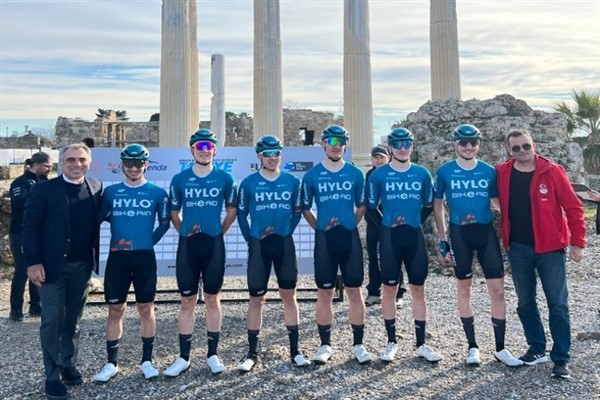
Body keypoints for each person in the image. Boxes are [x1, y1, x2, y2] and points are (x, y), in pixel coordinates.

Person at [495, 128, 586, 380]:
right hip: (518, 248)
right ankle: (536, 348)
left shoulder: (552, 171)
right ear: (509, 150)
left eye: (526, 146)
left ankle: (561, 357)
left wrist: (578, 243)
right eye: (516, 148)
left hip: (551, 249)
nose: (522, 151)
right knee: (525, 302)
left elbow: (573, 207)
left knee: (558, 303)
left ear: (533, 145)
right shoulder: (501, 172)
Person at [433, 124, 522, 367]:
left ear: (478, 144)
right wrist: (442, 238)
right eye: (463, 142)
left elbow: (497, 202)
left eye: (473, 142)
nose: (468, 146)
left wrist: (520, 217)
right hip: (459, 234)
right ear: (455, 144)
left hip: (485, 233)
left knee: (499, 291)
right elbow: (437, 204)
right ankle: (472, 347)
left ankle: (501, 348)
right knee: (464, 289)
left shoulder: (488, 171)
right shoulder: (445, 171)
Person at [22, 143, 103, 400]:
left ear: (89, 162)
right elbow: (29, 226)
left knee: (73, 320)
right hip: (51, 267)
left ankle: (68, 364)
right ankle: (52, 376)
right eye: (71, 160)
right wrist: (33, 262)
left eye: (82, 159)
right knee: (52, 321)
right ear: (61, 163)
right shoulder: (45, 189)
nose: (77, 164)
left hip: (82, 266)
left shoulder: (96, 186)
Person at [92, 144, 170, 383]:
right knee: (116, 309)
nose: (133, 168)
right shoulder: (110, 193)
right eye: (129, 163)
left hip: (144, 257)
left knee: (146, 308)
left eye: (138, 163)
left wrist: (147, 242)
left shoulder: (157, 193)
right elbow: (96, 219)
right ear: (122, 165)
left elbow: (164, 223)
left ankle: (147, 360)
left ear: (146, 164)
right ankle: (111, 363)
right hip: (118, 257)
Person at [164, 129, 237, 377]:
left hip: (213, 245)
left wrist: (218, 233)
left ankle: (213, 355)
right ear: (192, 150)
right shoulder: (180, 179)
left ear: (214, 150)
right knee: (187, 300)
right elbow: (174, 213)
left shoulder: (225, 178)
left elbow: (231, 211)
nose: (204, 150)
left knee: (212, 298)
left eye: (208, 146)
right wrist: (184, 232)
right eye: (199, 146)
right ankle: (184, 357)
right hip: (189, 246)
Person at [366, 128, 442, 363]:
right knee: (389, 289)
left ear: (412, 146)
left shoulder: (421, 173)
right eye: (397, 144)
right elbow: (370, 207)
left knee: (418, 289)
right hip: (390, 237)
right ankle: (391, 342)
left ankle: (421, 343)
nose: (402, 148)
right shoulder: (379, 175)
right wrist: (386, 226)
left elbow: (429, 204)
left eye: (406, 144)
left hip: (414, 237)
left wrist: (414, 222)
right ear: (390, 148)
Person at [235, 135, 311, 372]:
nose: (272, 157)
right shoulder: (248, 183)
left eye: (276, 153)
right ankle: (251, 353)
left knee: (289, 297)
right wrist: (250, 238)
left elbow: (297, 211)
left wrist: (287, 231)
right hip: (259, 246)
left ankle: (295, 351)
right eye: (267, 154)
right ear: (259, 156)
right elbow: (241, 215)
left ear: (281, 154)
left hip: (284, 245)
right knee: (256, 299)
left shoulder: (292, 181)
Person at [301, 124, 372, 365]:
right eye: (331, 141)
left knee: (354, 291)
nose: (335, 145)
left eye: (340, 141)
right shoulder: (312, 175)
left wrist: (351, 223)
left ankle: (359, 344)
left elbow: (362, 205)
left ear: (345, 145)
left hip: (349, 237)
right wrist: (319, 227)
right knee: (324, 292)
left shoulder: (355, 173)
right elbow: (305, 208)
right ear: (323, 144)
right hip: (325, 239)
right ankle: (325, 345)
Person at [9, 152, 53, 321]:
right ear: (36, 165)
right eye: (47, 166)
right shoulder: (19, 182)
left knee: (39, 267)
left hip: (40, 232)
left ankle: (36, 304)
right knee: (22, 270)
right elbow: (21, 203)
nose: (49, 170)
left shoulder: (46, 182)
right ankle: (16, 309)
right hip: (20, 232)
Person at [364, 145, 406, 307]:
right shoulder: (369, 175)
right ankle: (374, 292)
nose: (378, 160)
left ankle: (398, 294)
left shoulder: (395, 173)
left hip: (392, 223)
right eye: (375, 157)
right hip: (373, 224)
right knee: (374, 259)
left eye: (381, 157)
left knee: (395, 257)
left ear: (388, 158)